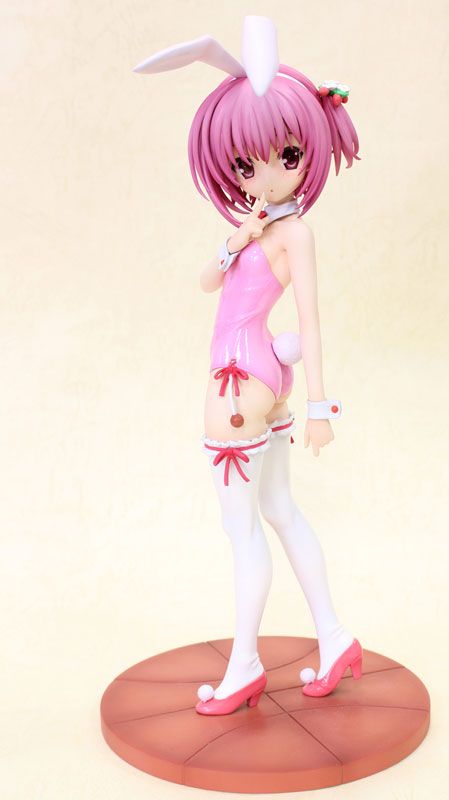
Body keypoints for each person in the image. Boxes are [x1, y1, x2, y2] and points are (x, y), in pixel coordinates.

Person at [133, 15, 364, 716]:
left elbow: (312, 320)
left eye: (284, 154)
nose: (263, 174)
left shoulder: (295, 234)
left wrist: (321, 407)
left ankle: (243, 668)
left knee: (243, 530)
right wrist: (236, 240)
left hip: (239, 382)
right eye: (244, 165)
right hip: (263, 372)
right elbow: (207, 282)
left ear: (308, 151)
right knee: (278, 509)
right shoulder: (262, 229)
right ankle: (335, 637)